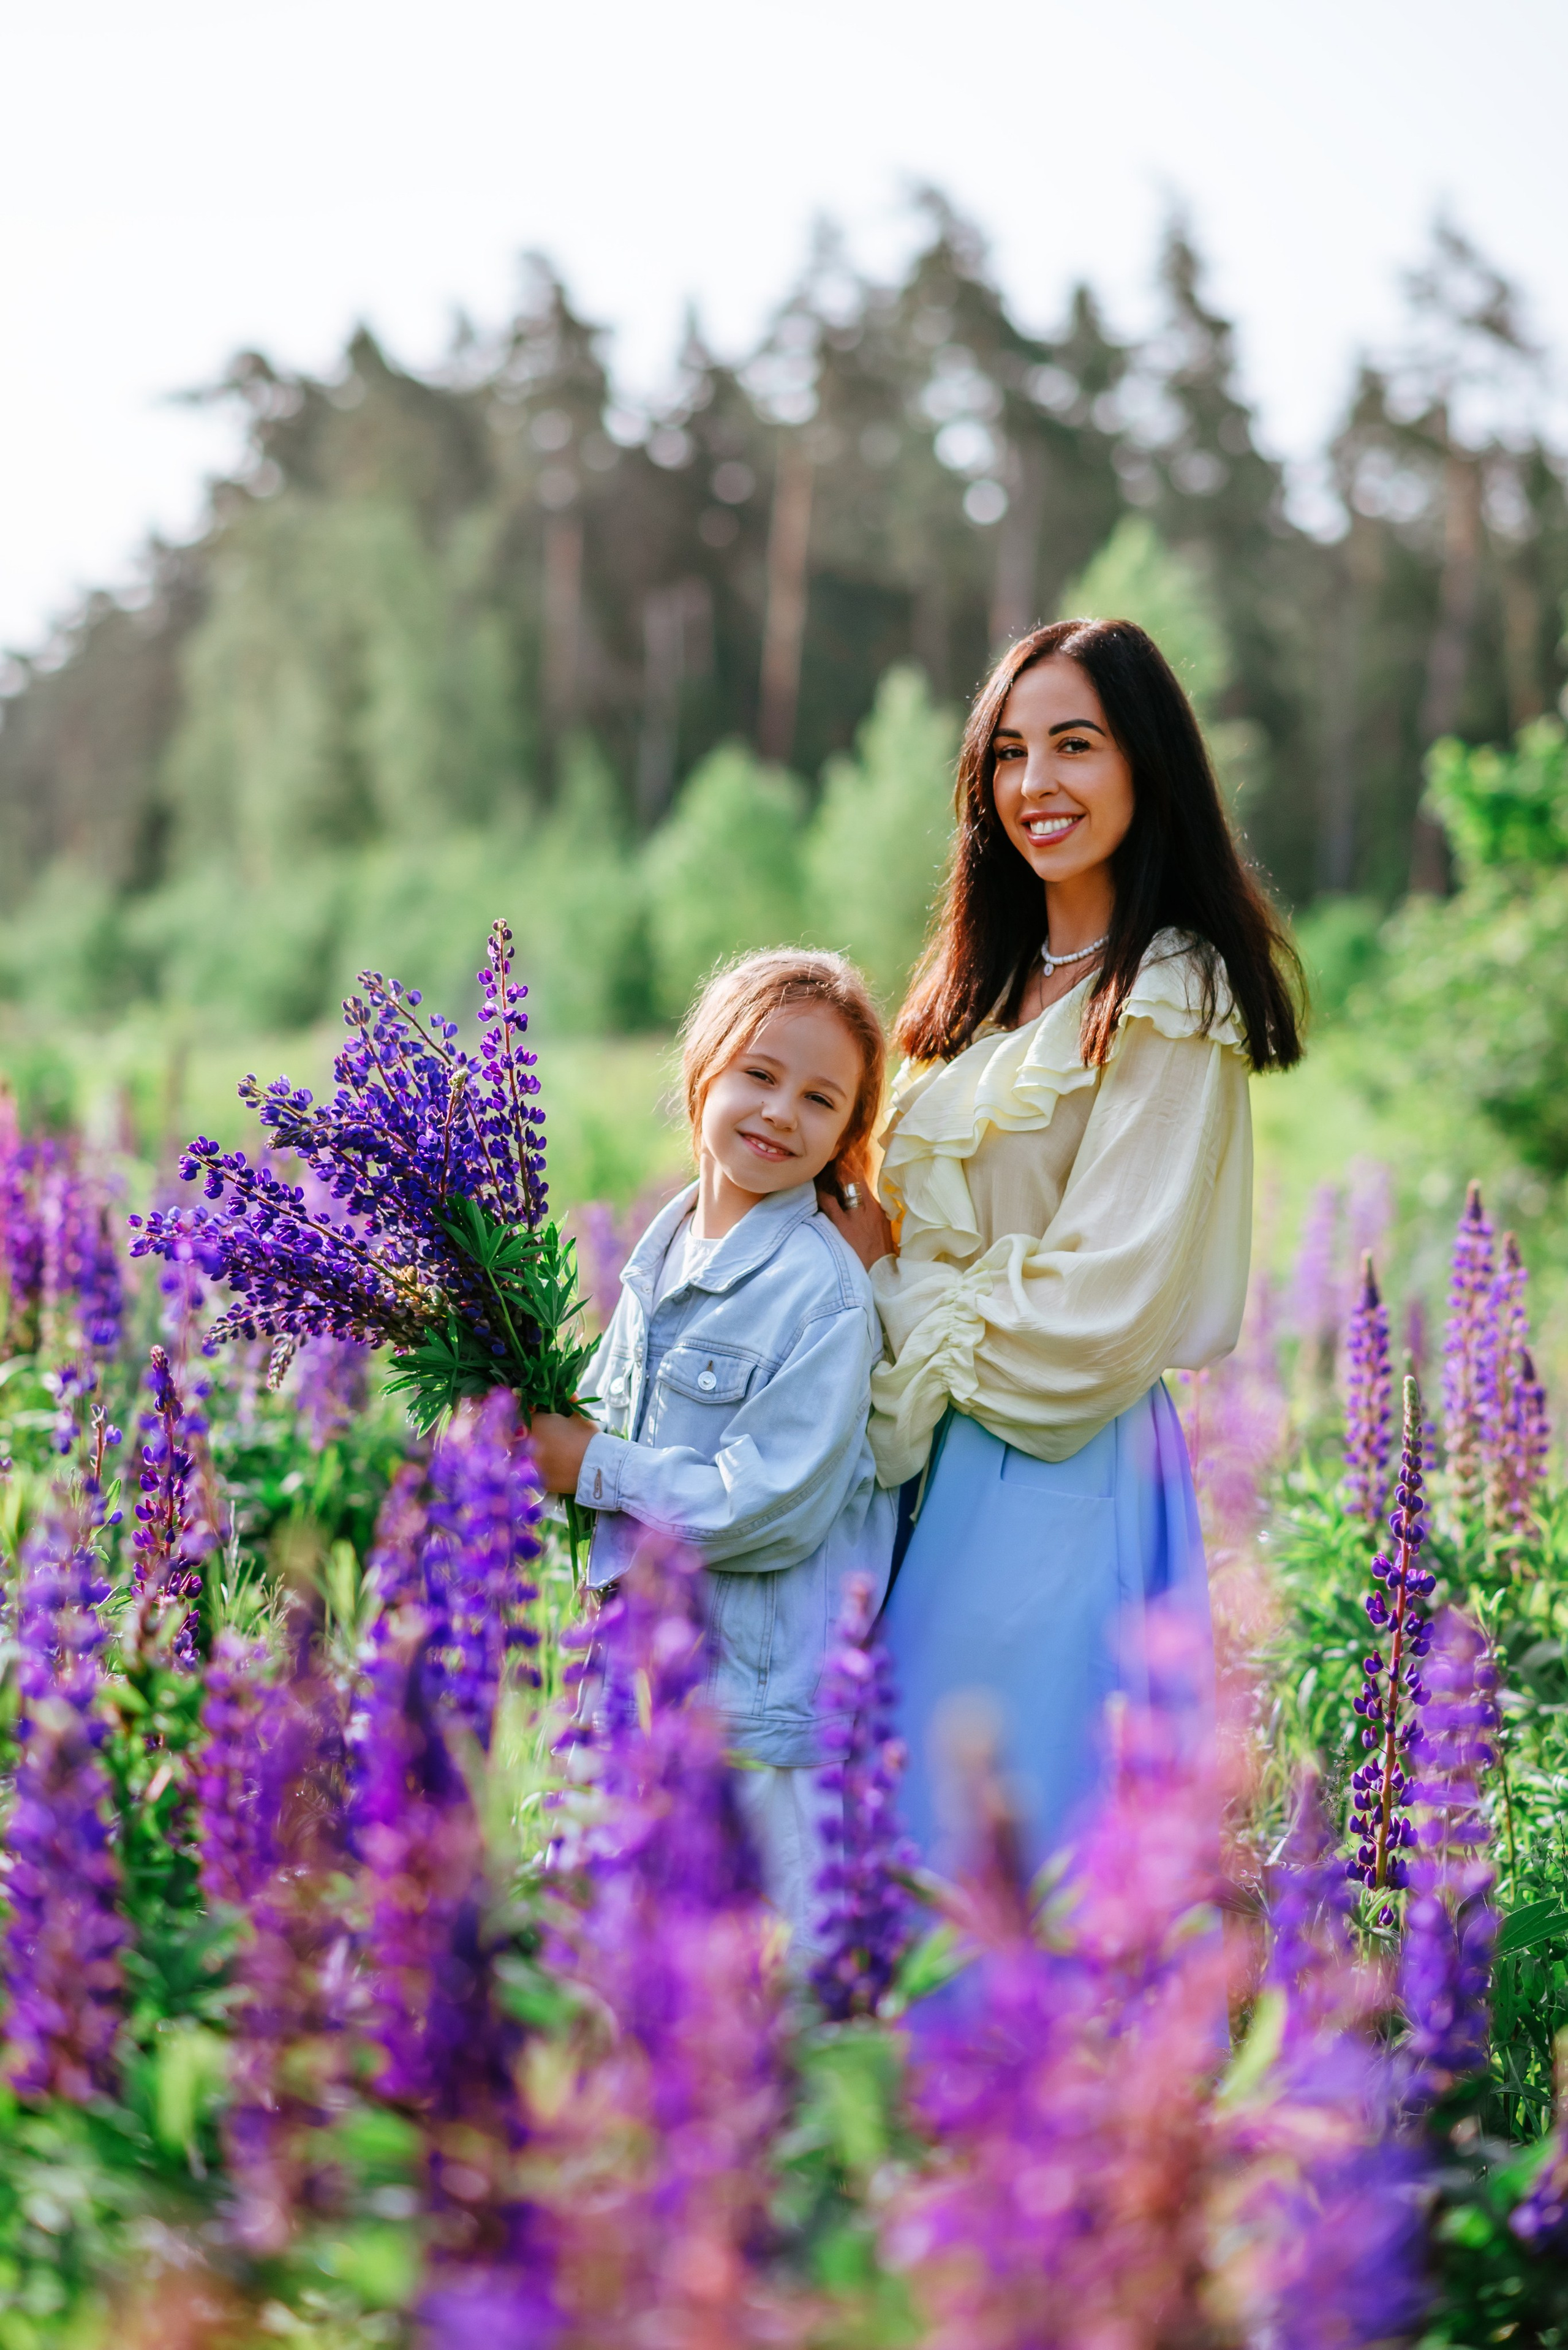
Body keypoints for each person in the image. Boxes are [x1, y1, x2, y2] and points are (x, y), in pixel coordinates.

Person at [821, 617, 1303, 1872]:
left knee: (988, 1863)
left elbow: (1107, 1300)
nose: (1036, 786)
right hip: (912, 1452)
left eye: (1074, 746)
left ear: (1145, 763)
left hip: (1049, 1460)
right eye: (1009, 754)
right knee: (875, 1850)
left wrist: (889, 1290)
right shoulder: (983, 986)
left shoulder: (1167, 987)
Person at [527, 949, 896, 1946]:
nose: (781, 1112)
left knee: (764, 1977)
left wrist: (593, 1465)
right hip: (644, 1679)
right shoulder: (664, 1247)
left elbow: (769, 1504)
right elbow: (613, 1427)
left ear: (844, 1136)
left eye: (821, 1100)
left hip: (757, 1709)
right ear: (705, 1075)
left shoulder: (822, 1291)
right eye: (760, 1075)